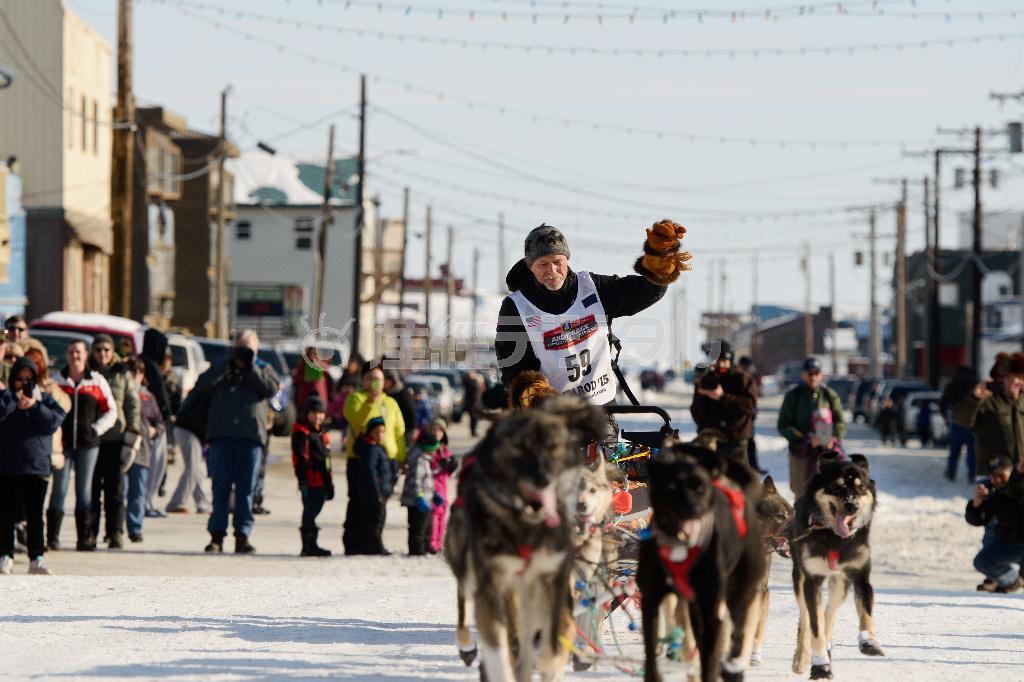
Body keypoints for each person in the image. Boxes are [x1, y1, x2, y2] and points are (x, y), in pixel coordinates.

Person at [495, 221, 690, 403]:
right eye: (542, 264)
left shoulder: (593, 288)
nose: (552, 271)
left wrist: (658, 262)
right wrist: (534, 396)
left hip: (600, 408)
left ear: (567, 259)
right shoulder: (516, 307)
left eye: (557, 262)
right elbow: (513, 367)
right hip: (552, 414)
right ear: (530, 267)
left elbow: (643, 292)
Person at [196, 329, 280, 554]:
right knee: (220, 489)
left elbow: (270, 389)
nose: (243, 352)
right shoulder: (222, 365)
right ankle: (216, 536)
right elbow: (202, 385)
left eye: (248, 348)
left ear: (256, 349)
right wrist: (227, 362)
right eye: (239, 347)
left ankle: (242, 536)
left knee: (246, 491)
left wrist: (250, 366)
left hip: (250, 437)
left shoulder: (263, 367)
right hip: (222, 436)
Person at [0, 357, 66, 576]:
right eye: (19, 379)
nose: (23, 384)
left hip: (36, 467)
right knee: (5, 515)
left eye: (28, 380)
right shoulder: (5, 398)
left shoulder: (45, 400)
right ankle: (5, 555)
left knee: (35, 516)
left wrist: (35, 406)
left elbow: (54, 422)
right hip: (8, 467)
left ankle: (36, 557)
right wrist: (13, 400)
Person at [51, 340, 118, 551]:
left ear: (86, 354)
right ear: (67, 354)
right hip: (63, 444)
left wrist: (96, 429)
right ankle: (52, 537)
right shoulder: (57, 380)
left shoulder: (96, 381)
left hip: (88, 444)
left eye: (79, 352)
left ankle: (85, 538)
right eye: (71, 351)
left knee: (84, 490)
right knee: (59, 489)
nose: (75, 356)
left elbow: (112, 411)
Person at [342, 364, 406, 555]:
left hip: (387, 459)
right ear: (363, 380)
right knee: (358, 501)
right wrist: (369, 402)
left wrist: (401, 458)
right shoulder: (356, 398)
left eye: (378, 378)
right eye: (370, 378)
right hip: (360, 459)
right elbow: (355, 421)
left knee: (380, 504)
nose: (374, 382)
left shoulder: (391, 403)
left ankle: (373, 543)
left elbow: (399, 432)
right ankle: (353, 544)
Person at [87, 335, 141, 549]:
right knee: (91, 490)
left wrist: (133, 432)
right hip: (92, 439)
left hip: (116, 438)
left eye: (107, 350)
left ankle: (115, 532)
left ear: (113, 352)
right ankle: (90, 532)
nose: (103, 354)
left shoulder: (122, 373)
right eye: (99, 349)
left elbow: (132, 404)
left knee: (115, 490)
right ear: (93, 351)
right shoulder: (88, 372)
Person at [17, 340, 72, 550]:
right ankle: (19, 535)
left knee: (40, 499)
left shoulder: (50, 388)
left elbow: (62, 409)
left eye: (37, 363)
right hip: (19, 452)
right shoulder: (14, 389)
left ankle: (43, 542)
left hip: (45, 451)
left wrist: (42, 397)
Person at [777, 356, 847, 497]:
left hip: (825, 453)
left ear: (821, 375)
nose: (813, 377)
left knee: (826, 492)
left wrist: (833, 438)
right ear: (803, 374)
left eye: (816, 373)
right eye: (810, 373)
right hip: (800, 453)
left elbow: (840, 422)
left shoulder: (829, 396)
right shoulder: (793, 396)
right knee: (801, 493)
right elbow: (783, 425)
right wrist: (805, 440)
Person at [957, 352, 1024, 479]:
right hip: (994, 476)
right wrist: (974, 399)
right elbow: (961, 419)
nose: (1020, 382)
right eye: (1017, 377)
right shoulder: (987, 401)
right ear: (1005, 377)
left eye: (1023, 378)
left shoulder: (1022, 402)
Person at [690, 341, 758, 465]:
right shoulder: (706, 380)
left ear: (731, 359)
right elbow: (697, 415)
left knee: (736, 481)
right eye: (717, 360)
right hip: (710, 441)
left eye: (724, 360)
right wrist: (701, 394)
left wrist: (723, 397)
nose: (721, 364)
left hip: (736, 441)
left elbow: (750, 405)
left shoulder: (743, 379)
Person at [965, 455, 1024, 593]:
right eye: (992, 476)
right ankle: (1012, 580)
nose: (996, 480)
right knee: (982, 562)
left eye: (1001, 475)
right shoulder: (995, 493)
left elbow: (1017, 491)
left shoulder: (1019, 486)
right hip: (1011, 544)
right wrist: (976, 505)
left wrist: (1017, 476)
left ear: (1011, 471)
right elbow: (979, 520)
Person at [125, 359, 164, 543]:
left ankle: (135, 528)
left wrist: (154, 430)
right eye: (131, 371)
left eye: (139, 372)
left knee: (138, 491)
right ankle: (114, 530)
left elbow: (160, 423)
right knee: (120, 490)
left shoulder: (148, 397)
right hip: (122, 450)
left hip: (142, 450)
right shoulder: (120, 392)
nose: (135, 375)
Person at [292, 395, 333, 557]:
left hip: (322, 481)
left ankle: (312, 543)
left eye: (320, 413)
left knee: (314, 511)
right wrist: (303, 481)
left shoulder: (322, 433)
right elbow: (300, 459)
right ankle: (308, 545)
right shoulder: (302, 433)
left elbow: (327, 461)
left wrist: (329, 483)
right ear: (307, 414)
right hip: (310, 481)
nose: (317, 416)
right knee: (309, 513)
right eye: (314, 413)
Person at [165, 376, 212, 515]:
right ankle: (176, 503)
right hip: (188, 430)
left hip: (189, 430)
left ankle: (202, 503)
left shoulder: (202, 390)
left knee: (199, 468)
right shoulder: (209, 394)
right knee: (193, 467)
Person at [355, 416, 394, 556]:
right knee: (375, 522)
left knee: (378, 520)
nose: (380, 435)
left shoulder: (378, 448)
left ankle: (374, 546)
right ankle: (374, 547)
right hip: (374, 494)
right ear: (370, 433)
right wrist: (377, 493)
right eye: (377, 432)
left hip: (381, 492)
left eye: (382, 431)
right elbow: (370, 473)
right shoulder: (371, 450)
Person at [401, 428, 442, 556]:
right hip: (416, 502)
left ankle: (424, 547)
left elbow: (427, 481)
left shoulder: (425, 460)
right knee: (417, 528)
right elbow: (416, 481)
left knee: (426, 527)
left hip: (426, 500)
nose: (436, 451)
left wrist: (434, 494)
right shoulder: (419, 461)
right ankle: (416, 550)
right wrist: (419, 497)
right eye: (434, 448)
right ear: (428, 448)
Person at [942, 365, 981, 482]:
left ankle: (951, 473)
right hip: (972, 423)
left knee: (954, 452)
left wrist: (944, 414)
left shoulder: (954, 383)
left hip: (957, 422)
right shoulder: (976, 383)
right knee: (972, 452)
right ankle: (972, 475)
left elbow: (944, 400)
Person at [428, 418, 456, 554]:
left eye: (440, 430)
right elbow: (430, 466)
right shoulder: (429, 449)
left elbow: (450, 471)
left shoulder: (445, 449)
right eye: (434, 429)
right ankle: (432, 542)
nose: (436, 432)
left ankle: (439, 542)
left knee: (442, 515)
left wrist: (449, 464)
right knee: (434, 514)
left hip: (443, 487)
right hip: (432, 486)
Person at [737, 355, 766, 474]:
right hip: (739, 418)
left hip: (749, 417)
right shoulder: (737, 378)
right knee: (741, 445)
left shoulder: (750, 378)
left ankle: (753, 466)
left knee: (750, 443)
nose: (748, 369)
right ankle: (745, 468)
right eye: (746, 366)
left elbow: (754, 396)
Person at [383, 369, 416, 449]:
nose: (384, 382)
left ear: (392, 380)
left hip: (403, 432)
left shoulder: (403, 394)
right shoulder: (384, 393)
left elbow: (411, 415)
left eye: (386, 380)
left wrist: (411, 432)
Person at [292, 347, 331, 414]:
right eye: (310, 355)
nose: (312, 357)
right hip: (305, 397)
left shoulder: (321, 365)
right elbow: (296, 379)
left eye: (314, 354)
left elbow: (328, 380)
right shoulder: (303, 366)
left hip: (319, 396)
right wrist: (304, 378)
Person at [462, 371, 483, 437]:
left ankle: (474, 431)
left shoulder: (471, 382)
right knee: (473, 418)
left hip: (475, 403)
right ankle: (473, 432)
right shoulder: (469, 382)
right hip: (472, 404)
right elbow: (474, 387)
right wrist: (477, 381)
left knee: (475, 418)